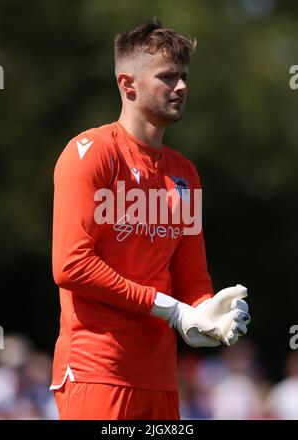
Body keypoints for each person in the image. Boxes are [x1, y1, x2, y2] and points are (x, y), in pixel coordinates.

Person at [50, 18, 251, 420]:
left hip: (161, 380)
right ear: (128, 85)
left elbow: (190, 274)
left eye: (184, 77)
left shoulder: (185, 173)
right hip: (97, 372)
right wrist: (171, 310)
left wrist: (207, 313)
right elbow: (71, 265)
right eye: (167, 77)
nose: (181, 87)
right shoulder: (89, 153)